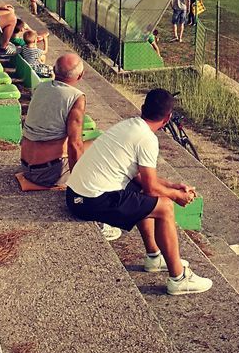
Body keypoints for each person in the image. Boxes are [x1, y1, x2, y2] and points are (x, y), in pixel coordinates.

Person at [66, 89, 211, 295]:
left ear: (143, 109)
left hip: (76, 196)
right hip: (91, 201)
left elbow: (140, 179)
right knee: (165, 207)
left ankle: (154, 256)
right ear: (168, 118)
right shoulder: (148, 139)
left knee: (145, 194)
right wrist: (176, 196)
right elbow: (151, 187)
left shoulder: (127, 126)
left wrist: (172, 186)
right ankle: (178, 278)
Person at [20, 52, 87, 190]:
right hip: (48, 174)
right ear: (80, 75)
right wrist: (78, 185)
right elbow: (75, 144)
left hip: (26, 167)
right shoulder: (76, 97)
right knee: (96, 146)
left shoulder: (40, 87)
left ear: (54, 70)